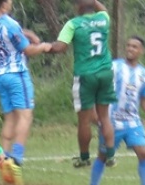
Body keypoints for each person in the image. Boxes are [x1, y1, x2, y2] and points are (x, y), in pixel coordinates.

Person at [0, 0, 53, 185]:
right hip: (16, 74)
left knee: (10, 118)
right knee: (25, 116)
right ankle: (17, 158)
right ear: (5, 4)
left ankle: (3, 157)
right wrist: (44, 46)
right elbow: (28, 50)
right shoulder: (11, 25)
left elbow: (15, 34)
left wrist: (28, 34)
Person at [86, 36, 145, 185]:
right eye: (128, 46)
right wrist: (94, 112)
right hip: (110, 120)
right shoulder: (113, 67)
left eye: (135, 47)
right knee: (104, 156)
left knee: (144, 153)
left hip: (132, 121)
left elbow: (144, 98)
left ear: (141, 51)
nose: (130, 49)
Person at [48, 0, 117, 168]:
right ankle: (110, 155)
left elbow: (60, 47)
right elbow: (104, 9)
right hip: (106, 72)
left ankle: (84, 157)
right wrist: (93, 1)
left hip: (86, 75)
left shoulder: (73, 24)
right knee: (104, 116)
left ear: (78, 7)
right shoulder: (103, 19)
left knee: (84, 120)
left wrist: (43, 47)